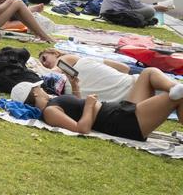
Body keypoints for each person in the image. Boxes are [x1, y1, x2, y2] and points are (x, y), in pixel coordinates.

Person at [12, 78, 183, 142]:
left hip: (117, 111)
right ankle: (176, 91)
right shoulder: (49, 112)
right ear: (35, 92)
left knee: (148, 73)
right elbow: (82, 129)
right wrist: (88, 105)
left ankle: (175, 87)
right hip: (121, 122)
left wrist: (75, 87)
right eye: (39, 88)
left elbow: (75, 108)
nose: (42, 89)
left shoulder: (53, 102)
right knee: (177, 98)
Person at [37, 49, 183, 104]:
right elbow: (124, 68)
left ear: (55, 53)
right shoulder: (64, 83)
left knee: (151, 74)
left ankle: (173, 87)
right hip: (130, 97)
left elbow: (54, 71)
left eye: (44, 58)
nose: (45, 64)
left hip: (132, 95)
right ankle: (173, 87)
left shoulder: (66, 59)